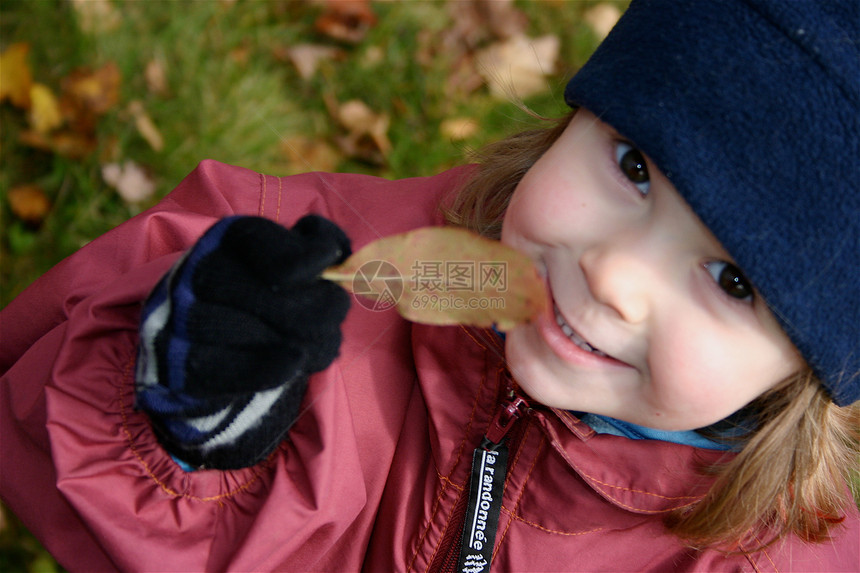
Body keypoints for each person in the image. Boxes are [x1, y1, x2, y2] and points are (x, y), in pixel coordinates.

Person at [1, 0, 858, 570]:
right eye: (634, 165)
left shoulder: (784, 555)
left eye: (733, 279)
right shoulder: (340, 274)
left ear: (809, 370)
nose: (615, 273)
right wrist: (185, 423)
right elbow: (41, 413)